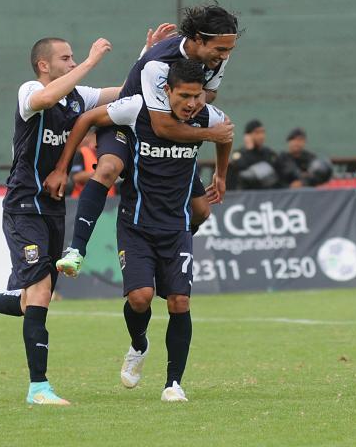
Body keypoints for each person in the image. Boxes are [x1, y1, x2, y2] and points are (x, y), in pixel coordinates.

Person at [45, 60, 232, 402]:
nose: (191, 104)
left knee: (179, 301)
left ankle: (173, 383)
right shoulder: (138, 109)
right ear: (167, 91)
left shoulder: (209, 116)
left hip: (176, 226)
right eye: (184, 96)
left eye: (197, 97)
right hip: (136, 224)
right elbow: (88, 118)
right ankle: (139, 343)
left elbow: (226, 134)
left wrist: (221, 174)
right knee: (140, 298)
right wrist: (62, 165)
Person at [0, 36, 123, 406]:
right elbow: (46, 100)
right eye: (65, 58)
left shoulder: (77, 96)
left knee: (33, 300)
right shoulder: (31, 90)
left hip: (53, 207)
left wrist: (152, 61)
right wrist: (92, 60)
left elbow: (123, 93)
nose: (72, 62)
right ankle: (39, 388)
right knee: (39, 294)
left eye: (73, 57)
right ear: (44, 65)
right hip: (23, 206)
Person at [47, 3, 239, 278]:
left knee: (200, 210)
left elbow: (209, 96)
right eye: (221, 50)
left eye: (229, 50)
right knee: (109, 168)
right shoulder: (159, 63)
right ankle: (76, 251)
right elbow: (161, 127)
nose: (225, 56)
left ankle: (171, 253)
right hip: (129, 122)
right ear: (198, 39)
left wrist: (184, 102)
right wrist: (208, 131)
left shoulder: (216, 55)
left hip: (171, 125)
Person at [227, 119, 280, 190]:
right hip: (247, 194)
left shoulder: (269, 152)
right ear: (248, 136)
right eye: (257, 133)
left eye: (263, 132)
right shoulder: (239, 153)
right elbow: (241, 168)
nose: (261, 136)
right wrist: (249, 150)